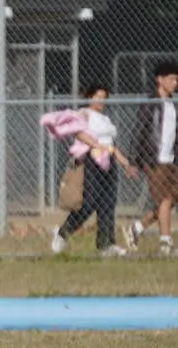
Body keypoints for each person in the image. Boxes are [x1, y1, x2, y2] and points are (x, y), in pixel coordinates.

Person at [46, 85, 137, 256]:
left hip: (108, 161)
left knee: (107, 203)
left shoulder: (105, 119)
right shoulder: (84, 113)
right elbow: (78, 133)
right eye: (98, 96)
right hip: (91, 159)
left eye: (104, 97)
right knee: (89, 202)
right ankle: (62, 233)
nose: (101, 100)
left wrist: (125, 163)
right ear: (89, 97)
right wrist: (96, 145)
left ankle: (106, 244)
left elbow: (111, 144)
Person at [125, 60, 178, 256]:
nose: (175, 83)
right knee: (164, 200)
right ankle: (165, 243)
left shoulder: (173, 105)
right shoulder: (151, 104)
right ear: (160, 80)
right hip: (154, 160)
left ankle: (137, 228)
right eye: (172, 79)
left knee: (170, 201)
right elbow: (139, 130)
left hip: (170, 160)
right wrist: (132, 160)